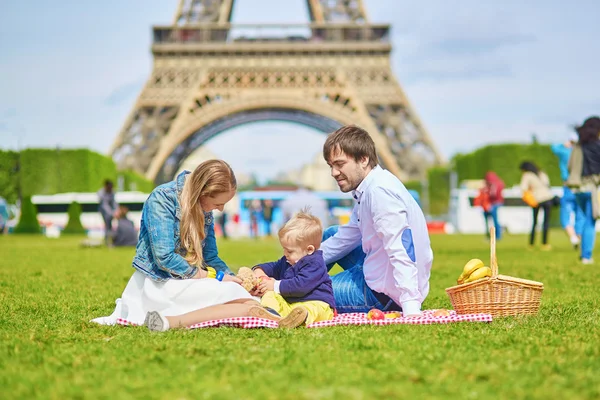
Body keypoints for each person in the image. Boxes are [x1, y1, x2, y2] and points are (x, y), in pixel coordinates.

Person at [91, 160, 283, 331]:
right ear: (202, 193)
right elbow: (164, 257)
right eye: (218, 203)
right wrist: (212, 276)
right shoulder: (161, 198)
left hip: (187, 280)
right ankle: (260, 312)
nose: (221, 209)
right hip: (159, 283)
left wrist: (232, 278)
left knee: (234, 289)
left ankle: (254, 310)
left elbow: (211, 257)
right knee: (230, 292)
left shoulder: (202, 205)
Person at [319, 125, 433, 317]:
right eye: (331, 166)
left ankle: (293, 288)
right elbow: (345, 238)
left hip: (385, 295)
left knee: (310, 293)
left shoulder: (379, 193)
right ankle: (300, 277)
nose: (334, 173)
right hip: (382, 272)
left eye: (340, 164)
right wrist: (296, 266)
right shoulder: (370, 186)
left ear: (363, 159)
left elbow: (401, 249)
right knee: (333, 233)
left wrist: (411, 307)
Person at [252, 211, 336, 328]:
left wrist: (275, 285)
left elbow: (300, 286)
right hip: (292, 304)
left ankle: (302, 317)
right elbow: (274, 267)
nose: (285, 254)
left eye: (289, 251)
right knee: (270, 295)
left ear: (309, 250)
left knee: (313, 310)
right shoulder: (289, 259)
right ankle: (272, 314)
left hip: (316, 302)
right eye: (284, 249)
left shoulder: (315, 263)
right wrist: (258, 270)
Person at [566, 116, 600, 264]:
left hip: (577, 188)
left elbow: (569, 166)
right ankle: (586, 255)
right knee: (590, 221)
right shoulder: (597, 146)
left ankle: (578, 241)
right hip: (592, 187)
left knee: (583, 217)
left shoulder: (578, 146)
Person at [551, 133, 584, 249]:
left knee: (565, 214)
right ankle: (578, 237)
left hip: (568, 186)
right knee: (581, 214)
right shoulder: (582, 153)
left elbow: (554, 147)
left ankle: (573, 237)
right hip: (581, 186)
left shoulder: (565, 152)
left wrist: (564, 144)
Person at [519, 161, 557, 250]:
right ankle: (545, 244)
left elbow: (523, 188)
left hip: (536, 199)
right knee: (546, 223)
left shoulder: (527, 175)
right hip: (548, 198)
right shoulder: (542, 173)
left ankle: (531, 243)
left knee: (534, 222)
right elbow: (548, 185)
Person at [474, 172, 505, 240]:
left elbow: (494, 195)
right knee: (492, 220)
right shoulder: (498, 183)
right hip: (491, 204)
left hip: (494, 204)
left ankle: (497, 236)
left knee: (495, 220)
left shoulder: (495, 184)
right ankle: (493, 235)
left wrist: (487, 191)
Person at [97, 180, 118, 246]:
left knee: (109, 227)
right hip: (104, 212)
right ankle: (107, 242)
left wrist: (116, 210)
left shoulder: (112, 192)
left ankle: (109, 241)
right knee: (108, 227)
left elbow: (114, 203)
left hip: (111, 211)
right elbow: (104, 205)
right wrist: (112, 213)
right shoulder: (101, 193)